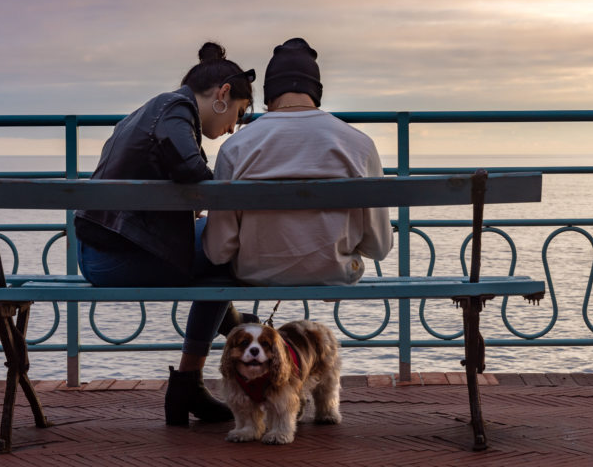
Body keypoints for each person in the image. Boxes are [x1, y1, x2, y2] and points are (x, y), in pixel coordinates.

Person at [74, 41, 257, 427]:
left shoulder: (154, 108)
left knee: (220, 254)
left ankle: (223, 337)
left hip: (101, 249)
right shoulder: (176, 110)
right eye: (237, 115)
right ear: (223, 94)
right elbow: (188, 166)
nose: (230, 130)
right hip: (115, 258)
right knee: (230, 245)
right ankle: (200, 369)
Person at [202, 37, 393, 286]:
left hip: (254, 275)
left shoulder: (235, 148)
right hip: (336, 273)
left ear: (269, 97)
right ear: (316, 92)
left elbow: (219, 251)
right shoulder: (360, 145)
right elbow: (379, 247)